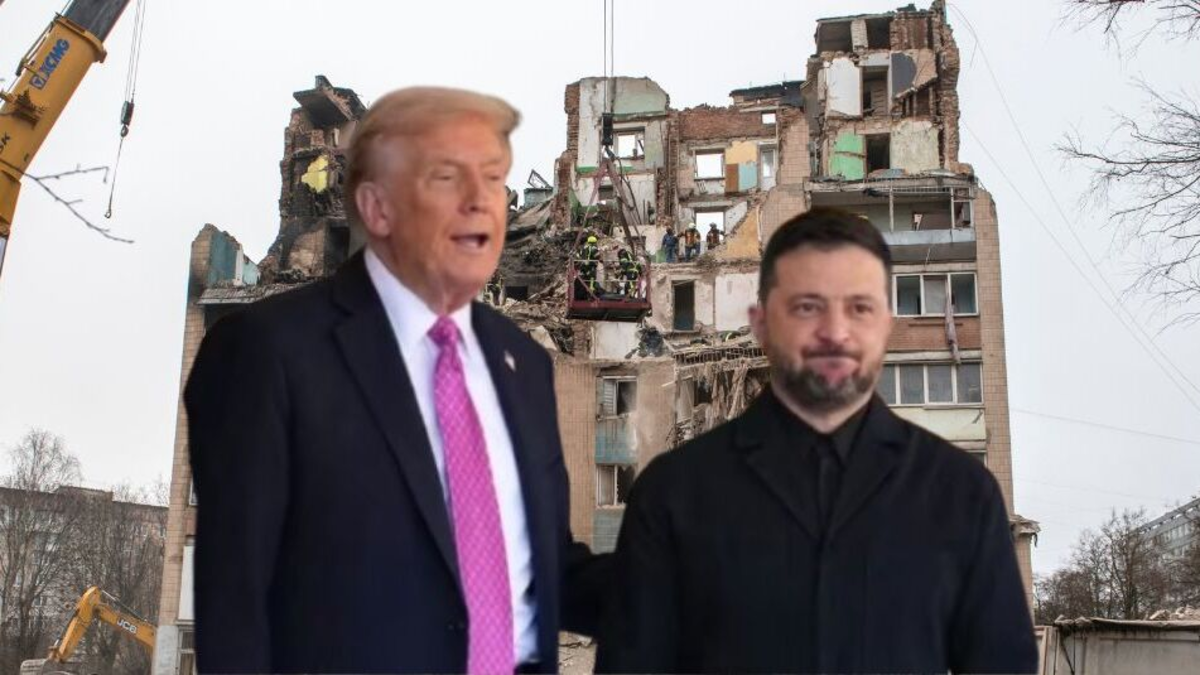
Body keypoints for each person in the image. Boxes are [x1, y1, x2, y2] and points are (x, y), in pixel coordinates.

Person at [187, 87, 605, 674]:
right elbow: (236, 605)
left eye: (492, 181)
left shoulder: (523, 364)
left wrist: (676, 584)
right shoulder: (267, 350)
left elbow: (542, 568)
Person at [596, 208, 1037, 674]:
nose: (835, 331)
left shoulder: (962, 496)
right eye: (808, 306)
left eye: (859, 307)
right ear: (761, 324)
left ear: (886, 325)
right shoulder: (672, 495)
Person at [576, 235, 599, 299]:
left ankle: (585, 294)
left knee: (586, 281)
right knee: (592, 280)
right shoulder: (594, 248)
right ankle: (591, 295)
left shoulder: (584, 248)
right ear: (594, 242)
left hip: (584, 267)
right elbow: (597, 256)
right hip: (591, 267)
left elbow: (579, 256)